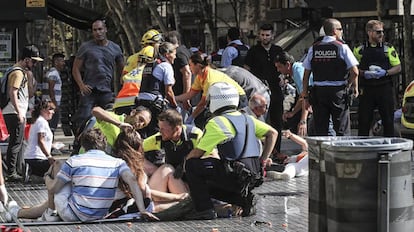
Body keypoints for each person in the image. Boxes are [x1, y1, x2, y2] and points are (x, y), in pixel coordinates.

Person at [4, 128, 159, 222]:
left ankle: (45, 214)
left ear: (84, 146)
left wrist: (46, 178)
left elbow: (54, 188)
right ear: (104, 145)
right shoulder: (118, 163)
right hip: (99, 214)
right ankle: (26, 211)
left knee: (58, 171)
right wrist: (142, 209)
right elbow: (132, 182)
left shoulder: (74, 160)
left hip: (74, 214)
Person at [184, 82, 278, 220]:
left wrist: (183, 165)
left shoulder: (217, 122)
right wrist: (262, 161)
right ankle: (243, 200)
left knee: (192, 166)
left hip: (234, 174)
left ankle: (204, 210)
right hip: (253, 175)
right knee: (206, 182)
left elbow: (197, 153)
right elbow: (273, 133)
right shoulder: (248, 118)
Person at [302, 18, 359, 136]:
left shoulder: (314, 47)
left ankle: (323, 154)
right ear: (334, 31)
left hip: (319, 93)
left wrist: (306, 95)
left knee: (321, 130)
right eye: (340, 29)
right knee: (342, 129)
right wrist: (350, 85)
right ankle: (343, 153)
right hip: (338, 92)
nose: (342, 32)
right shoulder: (342, 47)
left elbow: (306, 74)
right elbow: (355, 71)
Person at [72, 19, 124, 136]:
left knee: (110, 117)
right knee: (84, 117)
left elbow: (123, 69)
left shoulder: (115, 48)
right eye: (94, 30)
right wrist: (81, 85)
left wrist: (122, 87)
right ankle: (79, 143)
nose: (97, 32)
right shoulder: (86, 47)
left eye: (100, 29)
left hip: (106, 91)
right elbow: (75, 69)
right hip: (89, 90)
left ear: (105, 30)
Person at [143, 109, 200, 212]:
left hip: (192, 184)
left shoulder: (194, 135)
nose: (160, 131)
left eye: (163, 129)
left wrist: (184, 165)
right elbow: (134, 150)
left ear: (177, 128)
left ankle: (182, 205)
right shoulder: (159, 138)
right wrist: (149, 170)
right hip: (173, 181)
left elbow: (211, 154)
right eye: (159, 128)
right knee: (166, 169)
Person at [353, 20, 401, 137]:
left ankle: (389, 149)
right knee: (364, 121)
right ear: (369, 32)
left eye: (382, 32)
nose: (382, 34)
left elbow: (398, 67)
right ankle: (362, 149)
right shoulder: (359, 49)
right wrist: (364, 73)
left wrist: (385, 73)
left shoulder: (388, 48)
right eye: (378, 32)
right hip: (367, 89)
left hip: (384, 88)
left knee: (388, 120)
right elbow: (352, 68)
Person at [3, 45, 43, 182]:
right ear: (26, 59)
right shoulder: (18, 72)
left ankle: (14, 170)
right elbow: (13, 92)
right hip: (14, 112)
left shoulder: (19, 71)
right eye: (34, 61)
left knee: (17, 142)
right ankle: (11, 172)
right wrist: (19, 112)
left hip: (14, 111)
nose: (35, 64)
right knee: (15, 142)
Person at [175, 53, 247, 128]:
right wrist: (175, 98)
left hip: (237, 98)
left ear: (198, 66)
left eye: (190, 65)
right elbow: (190, 94)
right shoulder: (200, 76)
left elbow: (203, 104)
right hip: (224, 98)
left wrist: (191, 118)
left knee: (233, 124)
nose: (189, 68)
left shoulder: (209, 79)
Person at [244, 23, 284, 154]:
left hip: (276, 90)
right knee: (259, 120)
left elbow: (284, 67)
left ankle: (276, 150)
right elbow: (246, 69)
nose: (265, 37)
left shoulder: (278, 50)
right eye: (262, 35)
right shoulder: (253, 51)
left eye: (267, 35)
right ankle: (260, 151)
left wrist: (283, 78)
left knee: (277, 121)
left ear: (272, 35)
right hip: (259, 91)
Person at [136, 42, 179, 136]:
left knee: (141, 133)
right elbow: (169, 91)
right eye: (174, 54)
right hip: (154, 104)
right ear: (167, 54)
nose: (175, 57)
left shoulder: (149, 64)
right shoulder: (166, 66)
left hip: (140, 102)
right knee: (156, 134)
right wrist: (175, 107)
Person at [274, 51, 311, 136]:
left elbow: (305, 96)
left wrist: (303, 121)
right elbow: (301, 97)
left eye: (280, 67)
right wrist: (293, 113)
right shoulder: (294, 72)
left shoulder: (298, 70)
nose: (278, 70)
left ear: (287, 64)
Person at [113, 46, 155, 115]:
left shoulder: (134, 71)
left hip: (119, 104)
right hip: (130, 104)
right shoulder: (144, 72)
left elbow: (122, 81)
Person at [24, 100, 56, 178]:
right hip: (37, 158)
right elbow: (40, 141)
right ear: (43, 110)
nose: (53, 112)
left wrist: (52, 145)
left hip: (32, 157)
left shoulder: (38, 121)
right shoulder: (41, 122)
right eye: (50, 109)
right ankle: (34, 173)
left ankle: (33, 173)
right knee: (60, 167)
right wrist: (49, 157)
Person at [46, 53, 66, 133]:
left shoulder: (53, 73)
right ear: (56, 62)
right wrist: (54, 103)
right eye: (62, 61)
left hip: (52, 103)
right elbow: (51, 89)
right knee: (52, 126)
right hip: (52, 104)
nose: (63, 64)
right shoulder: (53, 73)